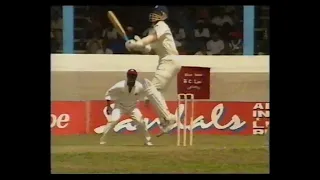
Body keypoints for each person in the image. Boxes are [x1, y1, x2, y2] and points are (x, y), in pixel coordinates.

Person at [124, 6, 181, 135]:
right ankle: (165, 121)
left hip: (169, 60)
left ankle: (169, 118)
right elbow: (149, 49)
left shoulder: (162, 25)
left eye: (157, 13)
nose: (154, 15)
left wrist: (139, 44)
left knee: (149, 87)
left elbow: (152, 39)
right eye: (153, 12)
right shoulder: (154, 29)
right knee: (154, 93)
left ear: (164, 15)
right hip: (165, 61)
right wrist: (137, 46)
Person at [100, 69, 153, 146]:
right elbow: (109, 93)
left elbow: (146, 93)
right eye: (130, 75)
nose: (132, 77)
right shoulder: (120, 85)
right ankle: (103, 141)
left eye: (133, 76)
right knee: (112, 122)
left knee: (141, 122)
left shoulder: (139, 86)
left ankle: (147, 141)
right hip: (120, 107)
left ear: (136, 77)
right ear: (127, 76)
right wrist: (108, 106)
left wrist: (147, 100)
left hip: (133, 107)